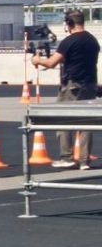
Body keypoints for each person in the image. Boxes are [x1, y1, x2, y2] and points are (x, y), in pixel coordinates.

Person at [32, 9, 99, 170]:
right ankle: (84, 160)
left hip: (73, 85)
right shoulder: (92, 41)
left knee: (62, 119)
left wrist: (37, 59)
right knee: (86, 124)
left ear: (69, 23)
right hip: (90, 84)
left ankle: (66, 156)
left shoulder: (69, 41)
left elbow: (51, 63)